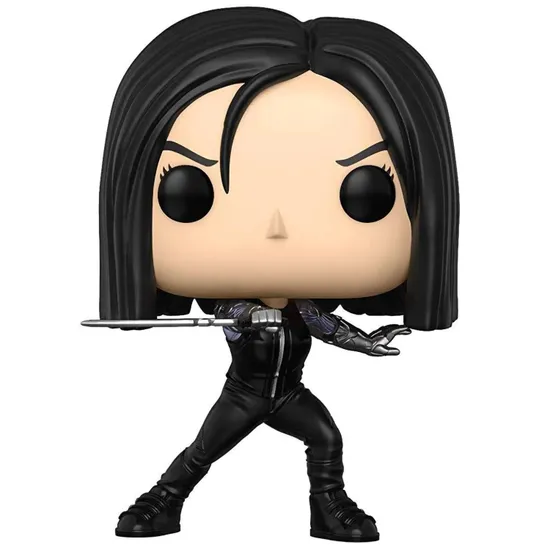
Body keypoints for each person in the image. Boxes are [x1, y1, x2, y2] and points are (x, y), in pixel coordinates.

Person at [96, 7, 459, 542]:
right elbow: (233, 316)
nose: (277, 227)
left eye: (366, 193)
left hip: (287, 393)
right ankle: (158, 503)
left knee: (326, 439)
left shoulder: (302, 309)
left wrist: (369, 341)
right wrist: (248, 315)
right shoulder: (233, 306)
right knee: (201, 453)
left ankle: (329, 508)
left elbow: (327, 328)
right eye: (188, 191)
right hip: (243, 396)